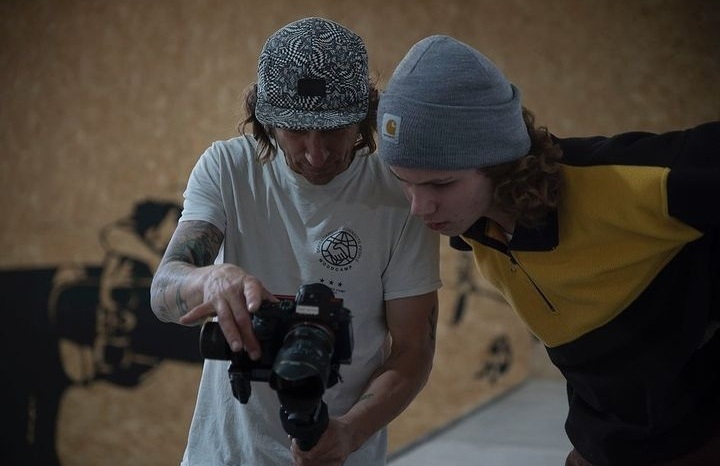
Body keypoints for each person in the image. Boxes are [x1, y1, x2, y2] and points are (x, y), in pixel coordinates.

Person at [376, 34, 719, 466]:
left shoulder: (624, 184)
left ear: (499, 162)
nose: (419, 207)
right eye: (405, 182)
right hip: (609, 443)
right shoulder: (476, 228)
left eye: (441, 184)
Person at [149, 17, 441, 466]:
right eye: (296, 130)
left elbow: (413, 350)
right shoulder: (227, 169)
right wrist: (209, 279)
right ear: (265, 120)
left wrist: (349, 432)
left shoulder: (398, 191)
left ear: (365, 116)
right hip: (225, 455)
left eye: (334, 129)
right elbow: (164, 291)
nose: (316, 153)